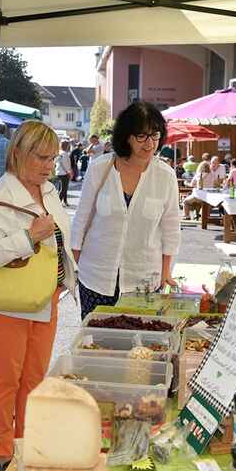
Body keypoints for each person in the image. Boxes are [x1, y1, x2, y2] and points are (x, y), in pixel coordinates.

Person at [0, 121, 75, 468]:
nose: (49, 166)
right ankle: (3, 449)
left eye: (53, 159)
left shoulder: (47, 191)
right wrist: (28, 237)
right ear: (18, 153)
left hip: (45, 298)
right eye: (41, 157)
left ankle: (25, 443)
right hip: (8, 305)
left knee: (33, 378)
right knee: (6, 380)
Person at [72, 101, 181, 318]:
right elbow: (81, 220)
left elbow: (171, 229)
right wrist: (76, 266)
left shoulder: (165, 176)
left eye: (155, 135)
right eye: (141, 135)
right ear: (126, 136)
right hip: (96, 277)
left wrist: (166, 272)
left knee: (139, 345)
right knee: (94, 345)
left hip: (144, 280)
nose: (149, 143)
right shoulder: (100, 168)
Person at [55, 139, 73, 206]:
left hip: (59, 172)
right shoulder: (65, 154)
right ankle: (58, 203)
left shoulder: (59, 153)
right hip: (64, 173)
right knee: (63, 189)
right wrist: (69, 172)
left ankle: (65, 201)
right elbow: (66, 164)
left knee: (62, 188)